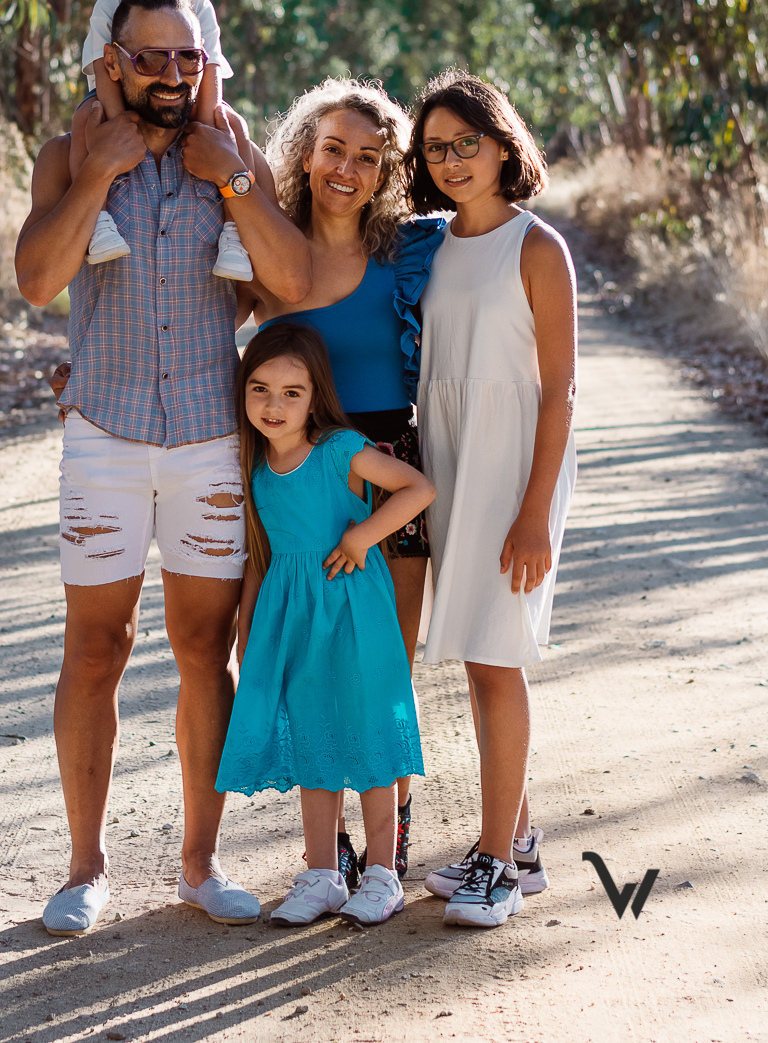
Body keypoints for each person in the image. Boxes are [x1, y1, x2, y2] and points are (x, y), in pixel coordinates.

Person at [15, 0, 312, 937]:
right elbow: (37, 281)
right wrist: (97, 172)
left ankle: (200, 864)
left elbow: (290, 282)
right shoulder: (69, 153)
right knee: (95, 649)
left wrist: (234, 179)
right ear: (115, 61)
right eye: (151, 57)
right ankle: (85, 869)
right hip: (103, 435)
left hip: (208, 441)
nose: (173, 74)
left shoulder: (232, 152)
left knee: (202, 651)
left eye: (189, 57)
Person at [241, 79, 444, 885]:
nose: (347, 169)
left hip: (387, 463)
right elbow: (188, 320)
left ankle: (390, 844)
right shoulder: (268, 247)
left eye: (368, 157)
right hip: (300, 469)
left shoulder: (409, 254)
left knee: (386, 667)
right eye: (333, 150)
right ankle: (330, 853)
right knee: (315, 668)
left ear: (386, 171)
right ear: (305, 154)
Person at [405, 70, 577, 930]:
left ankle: (498, 865)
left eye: (466, 142)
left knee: (497, 655)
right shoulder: (428, 246)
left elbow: (560, 390)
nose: (451, 160)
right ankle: (520, 842)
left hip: (513, 468)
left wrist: (535, 509)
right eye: (436, 148)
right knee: (478, 651)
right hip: (449, 456)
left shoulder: (537, 247)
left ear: (505, 145)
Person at [216, 323, 434, 927]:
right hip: (292, 619)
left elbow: (417, 487)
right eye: (260, 389)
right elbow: (260, 558)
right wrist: (247, 631)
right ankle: (322, 875)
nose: (274, 404)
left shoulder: (340, 449)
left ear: (315, 397)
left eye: (292, 392)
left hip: (353, 608)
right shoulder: (257, 465)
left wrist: (364, 536)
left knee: (370, 730)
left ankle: (383, 874)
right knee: (312, 734)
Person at [71, 0, 253, 279]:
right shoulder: (111, 3)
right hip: (123, 101)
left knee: (233, 126)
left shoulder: (197, 4)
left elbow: (209, 72)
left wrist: (206, 127)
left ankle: (233, 233)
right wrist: (120, 130)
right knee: (85, 118)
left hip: (183, 103)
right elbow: (102, 68)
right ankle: (97, 220)